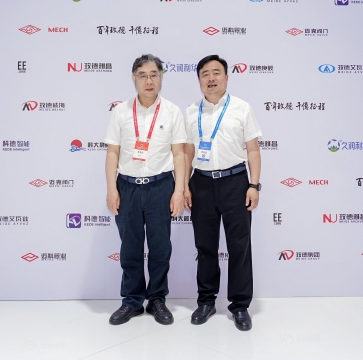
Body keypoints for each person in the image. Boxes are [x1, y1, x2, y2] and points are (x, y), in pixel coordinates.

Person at [104, 54, 187, 325]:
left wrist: (178, 191)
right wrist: (111, 189)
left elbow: (179, 154)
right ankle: (132, 300)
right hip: (127, 187)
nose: (149, 80)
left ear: (161, 77)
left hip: (161, 187)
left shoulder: (172, 111)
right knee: (130, 247)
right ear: (134, 78)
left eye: (154, 75)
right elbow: (112, 152)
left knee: (160, 247)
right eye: (143, 75)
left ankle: (157, 299)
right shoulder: (121, 111)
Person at [183, 55, 262, 331]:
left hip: (235, 182)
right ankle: (206, 301)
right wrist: (184, 186)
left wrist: (254, 185)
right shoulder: (191, 112)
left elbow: (253, 150)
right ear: (199, 80)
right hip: (201, 184)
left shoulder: (242, 108)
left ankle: (239, 306)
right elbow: (188, 152)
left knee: (239, 246)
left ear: (227, 77)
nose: (211, 78)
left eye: (216, 72)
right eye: (205, 74)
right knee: (205, 247)